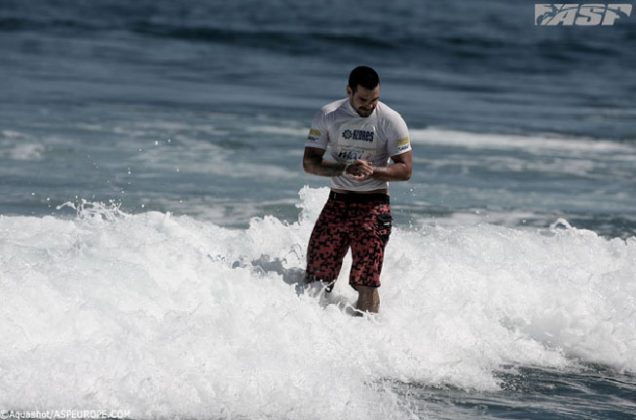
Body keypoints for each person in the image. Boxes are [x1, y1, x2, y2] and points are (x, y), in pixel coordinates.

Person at [303, 65, 413, 314]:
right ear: (349, 91)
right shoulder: (328, 115)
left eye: (375, 99)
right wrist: (344, 169)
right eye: (363, 100)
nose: (369, 106)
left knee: (366, 282)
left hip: (373, 207)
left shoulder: (391, 120)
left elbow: (405, 170)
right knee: (316, 279)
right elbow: (310, 163)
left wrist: (373, 171)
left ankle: (368, 339)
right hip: (336, 204)